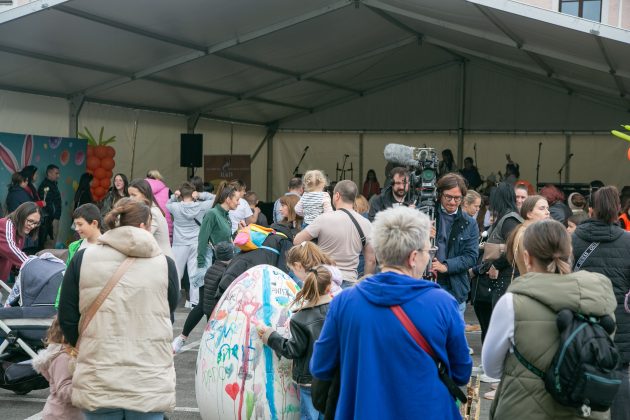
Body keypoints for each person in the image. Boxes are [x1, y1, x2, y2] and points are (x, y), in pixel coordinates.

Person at [310, 206, 472, 419]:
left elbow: (321, 367)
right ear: (413, 257)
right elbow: (461, 372)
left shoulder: (344, 302)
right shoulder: (442, 303)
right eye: (427, 251)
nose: (428, 257)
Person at [482, 219, 617, 419]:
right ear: (570, 252)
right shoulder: (599, 298)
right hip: (586, 411)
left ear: (527, 257)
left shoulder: (512, 303)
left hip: (524, 410)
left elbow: (491, 369)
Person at [57, 198, 179, 419]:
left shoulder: (83, 258)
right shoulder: (166, 264)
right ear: (143, 226)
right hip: (148, 377)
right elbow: (168, 314)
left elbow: (66, 315)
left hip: (99, 373)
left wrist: (86, 343)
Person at [571, 186, 630, 420]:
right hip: (620, 322)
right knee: (620, 374)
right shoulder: (627, 241)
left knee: (582, 372)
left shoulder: (574, 238)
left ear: (591, 209)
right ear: (618, 209)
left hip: (583, 319)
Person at [258, 265, 339, 420]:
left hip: (309, 379)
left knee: (309, 416)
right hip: (333, 374)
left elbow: (293, 350)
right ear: (329, 286)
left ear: (306, 286)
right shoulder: (338, 310)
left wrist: (270, 336)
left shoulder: (300, 318)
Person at [471, 182, 522, 385]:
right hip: (496, 277)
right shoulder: (505, 218)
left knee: (498, 324)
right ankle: (489, 365)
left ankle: (496, 370)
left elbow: (512, 249)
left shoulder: (509, 220)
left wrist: (494, 265)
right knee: (489, 321)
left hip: (504, 277)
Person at [294, 180, 376, 288]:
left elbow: (297, 241)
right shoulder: (366, 224)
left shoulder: (323, 219)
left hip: (324, 282)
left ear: (337, 196)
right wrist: (364, 286)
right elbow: (371, 260)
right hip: (350, 283)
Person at [172, 241, 235, 354]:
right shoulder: (226, 273)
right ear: (231, 255)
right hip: (217, 318)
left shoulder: (210, 270)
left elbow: (203, 304)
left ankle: (182, 338)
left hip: (209, 315)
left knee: (200, 305)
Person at [432, 173, 479, 322]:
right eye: (448, 197)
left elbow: (471, 256)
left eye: (457, 198)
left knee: (454, 334)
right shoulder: (426, 214)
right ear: (440, 194)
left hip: (456, 288)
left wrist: (446, 266)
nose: (452, 202)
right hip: (427, 283)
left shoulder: (469, 223)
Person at [166, 181, 214, 308]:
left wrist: (174, 196)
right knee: (194, 273)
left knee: (176, 273)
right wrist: (200, 195)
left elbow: (167, 204)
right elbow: (215, 198)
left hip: (179, 244)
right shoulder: (201, 206)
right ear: (193, 193)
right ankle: (195, 302)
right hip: (196, 243)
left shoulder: (175, 207)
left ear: (181, 194)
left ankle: (173, 301)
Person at [32, 316, 82, 420]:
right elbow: (64, 391)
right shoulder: (63, 358)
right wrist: (89, 387)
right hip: (62, 415)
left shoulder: (68, 354)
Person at [53, 203, 103, 308]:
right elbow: (66, 278)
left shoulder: (107, 247)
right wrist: (59, 303)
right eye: (75, 224)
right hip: (73, 303)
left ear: (94, 223)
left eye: (80, 224)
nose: (76, 228)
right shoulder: (74, 246)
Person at [195, 182, 239, 293]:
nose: (238, 203)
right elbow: (202, 239)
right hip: (212, 266)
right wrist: (201, 265)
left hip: (222, 265)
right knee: (206, 300)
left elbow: (227, 240)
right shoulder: (212, 214)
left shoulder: (226, 216)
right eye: (237, 199)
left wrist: (238, 232)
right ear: (228, 199)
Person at [506, 195, 550, 276]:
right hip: (533, 281)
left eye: (547, 208)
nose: (547, 212)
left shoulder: (523, 230)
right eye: (542, 208)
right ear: (529, 214)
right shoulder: (528, 234)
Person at [128, 178, 173, 259]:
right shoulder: (149, 209)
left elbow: (144, 238)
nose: (130, 198)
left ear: (144, 194)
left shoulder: (152, 212)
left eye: (134, 195)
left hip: (162, 258)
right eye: (129, 195)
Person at [0, 202, 41, 282]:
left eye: (36, 223)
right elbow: (11, 250)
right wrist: (36, 267)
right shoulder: (6, 224)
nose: (32, 226)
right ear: (21, 215)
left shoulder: (20, 232)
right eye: (30, 221)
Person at [38, 164, 62, 249]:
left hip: (54, 218)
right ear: (49, 173)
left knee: (52, 242)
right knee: (49, 242)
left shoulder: (53, 184)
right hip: (51, 219)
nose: (58, 176)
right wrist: (53, 218)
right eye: (56, 173)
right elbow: (46, 204)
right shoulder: (46, 186)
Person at [145, 169, 173, 240]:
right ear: (159, 177)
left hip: (146, 225)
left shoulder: (141, 189)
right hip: (165, 226)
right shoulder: (167, 190)